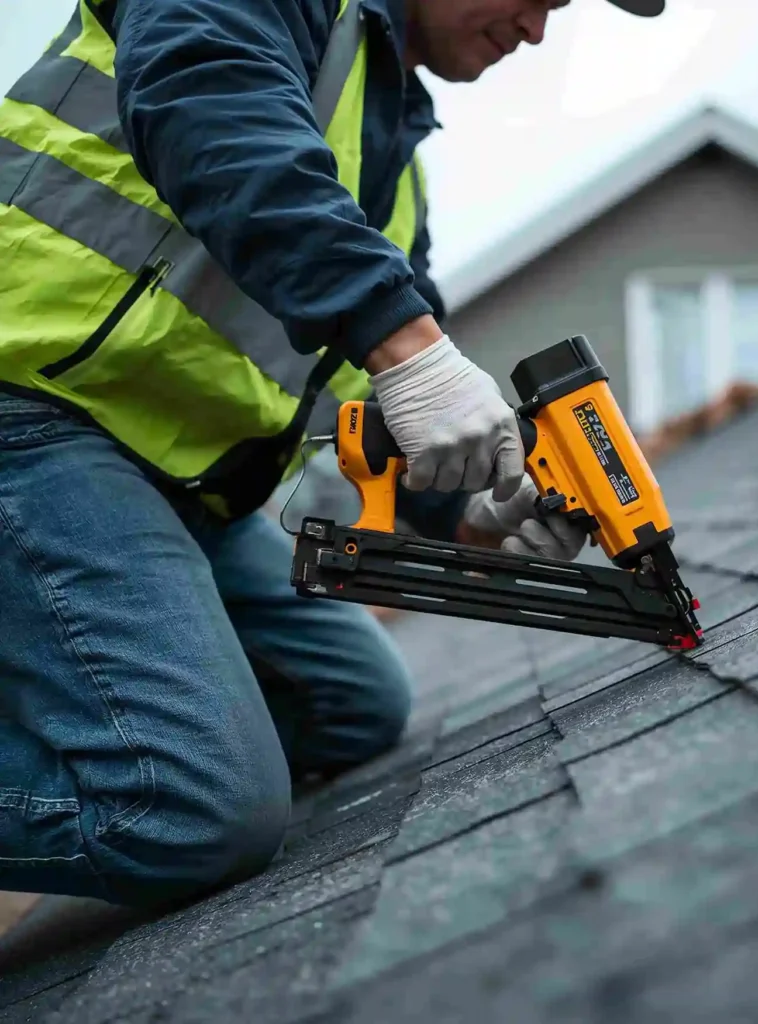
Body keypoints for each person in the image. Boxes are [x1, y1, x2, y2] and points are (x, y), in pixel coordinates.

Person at [0, 0, 664, 907]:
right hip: (30, 410)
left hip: (178, 481)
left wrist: (477, 514)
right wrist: (410, 346)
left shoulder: (388, 167)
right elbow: (216, 113)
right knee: (190, 808)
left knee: (355, 705)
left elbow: (372, 390)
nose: (539, 29)